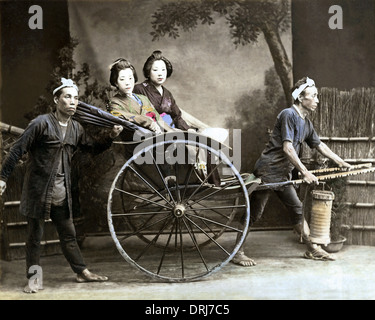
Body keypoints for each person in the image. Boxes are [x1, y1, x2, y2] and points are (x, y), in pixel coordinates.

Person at [0, 78, 123, 293]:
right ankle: (34, 280)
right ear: (56, 100)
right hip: (38, 190)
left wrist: (110, 136)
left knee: (68, 234)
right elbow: (16, 150)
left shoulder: (76, 128)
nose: (73, 102)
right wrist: (2, 178)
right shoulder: (41, 123)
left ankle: (81, 272)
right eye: (67, 97)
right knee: (34, 238)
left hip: (62, 191)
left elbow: (91, 148)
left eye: (76, 98)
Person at [231, 76, 352, 267]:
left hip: (283, 174)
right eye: (313, 96)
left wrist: (340, 162)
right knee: (255, 213)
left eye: (316, 96)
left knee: (296, 208)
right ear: (300, 98)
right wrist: (305, 172)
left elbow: (319, 145)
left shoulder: (306, 122)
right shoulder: (288, 114)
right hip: (268, 171)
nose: (317, 100)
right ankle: (238, 253)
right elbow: (288, 148)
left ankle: (312, 249)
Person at [108, 58, 174, 135]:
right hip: (137, 140)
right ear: (116, 82)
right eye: (122, 79)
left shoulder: (143, 98)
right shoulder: (114, 102)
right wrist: (148, 122)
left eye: (130, 78)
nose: (127, 83)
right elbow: (125, 116)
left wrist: (169, 130)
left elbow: (157, 116)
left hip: (158, 135)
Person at [133, 50, 191, 131]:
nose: (160, 73)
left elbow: (176, 116)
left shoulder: (167, 93)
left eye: (163, 70)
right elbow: (135, 114)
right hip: (150, 131)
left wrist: (187, 129)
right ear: (148, 72)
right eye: (155, 70)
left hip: (170, 130)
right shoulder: (139, 89)